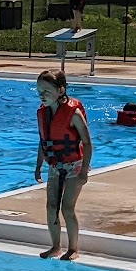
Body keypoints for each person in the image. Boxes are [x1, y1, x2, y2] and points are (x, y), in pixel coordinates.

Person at [33, 69, 93, 260]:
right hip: (55, 166)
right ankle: (55, 247)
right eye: (39, 91)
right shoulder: (43, 113)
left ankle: (73, 248)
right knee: (51, 207)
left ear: (61, 90)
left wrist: (84, 170)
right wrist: (38, 165)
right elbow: (44, 141)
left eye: (46, 91)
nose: (42, 95)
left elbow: (87, 143)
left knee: (67, 208)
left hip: (75, 166)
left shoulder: (73, 113)